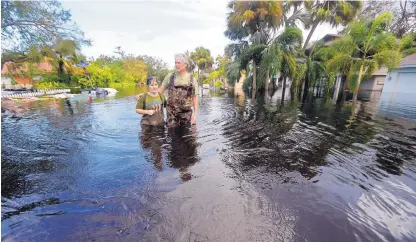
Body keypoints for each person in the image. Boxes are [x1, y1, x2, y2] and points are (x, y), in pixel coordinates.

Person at [157, 53, 199, 126]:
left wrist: (195, 116)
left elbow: (195, 99)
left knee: (186, 135)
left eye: (178, 63)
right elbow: (159, 91)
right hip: (171, 114)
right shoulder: (169, 76)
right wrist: (145, 95)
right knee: (172, 134)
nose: (176, 65)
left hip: (186, 115)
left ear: (185, 65)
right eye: (175, 62)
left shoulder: (192, 80)